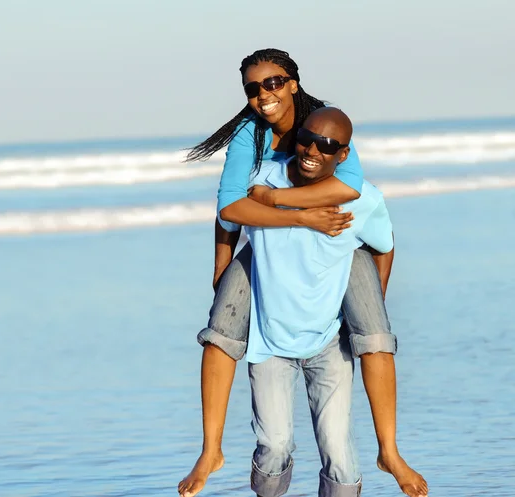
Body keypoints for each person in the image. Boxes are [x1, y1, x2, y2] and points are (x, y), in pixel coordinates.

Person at [178, 49, 426, 497]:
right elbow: (230, 208)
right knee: (221, 326)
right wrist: (230, 258)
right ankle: (210, 449)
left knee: (373, 333)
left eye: (272, 83)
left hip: (335, 247)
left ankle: (389, 450)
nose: (263, 95)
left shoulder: (323, 124)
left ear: (293, 82)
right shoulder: (249, 139)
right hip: (270, 240)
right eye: (253, 89)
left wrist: (368, 308)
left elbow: (351, 191)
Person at [244, 107, 415, 497]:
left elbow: (384, 247)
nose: (312, 150)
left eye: (327, 145)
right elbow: (228, 217)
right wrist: (222, 269)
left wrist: (372, 306)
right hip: (269, 341)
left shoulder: (363, 199)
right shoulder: (261, 181)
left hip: (328, 342)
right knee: (274, 445)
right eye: (307, 138)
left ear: (343, 154)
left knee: (339, 453)